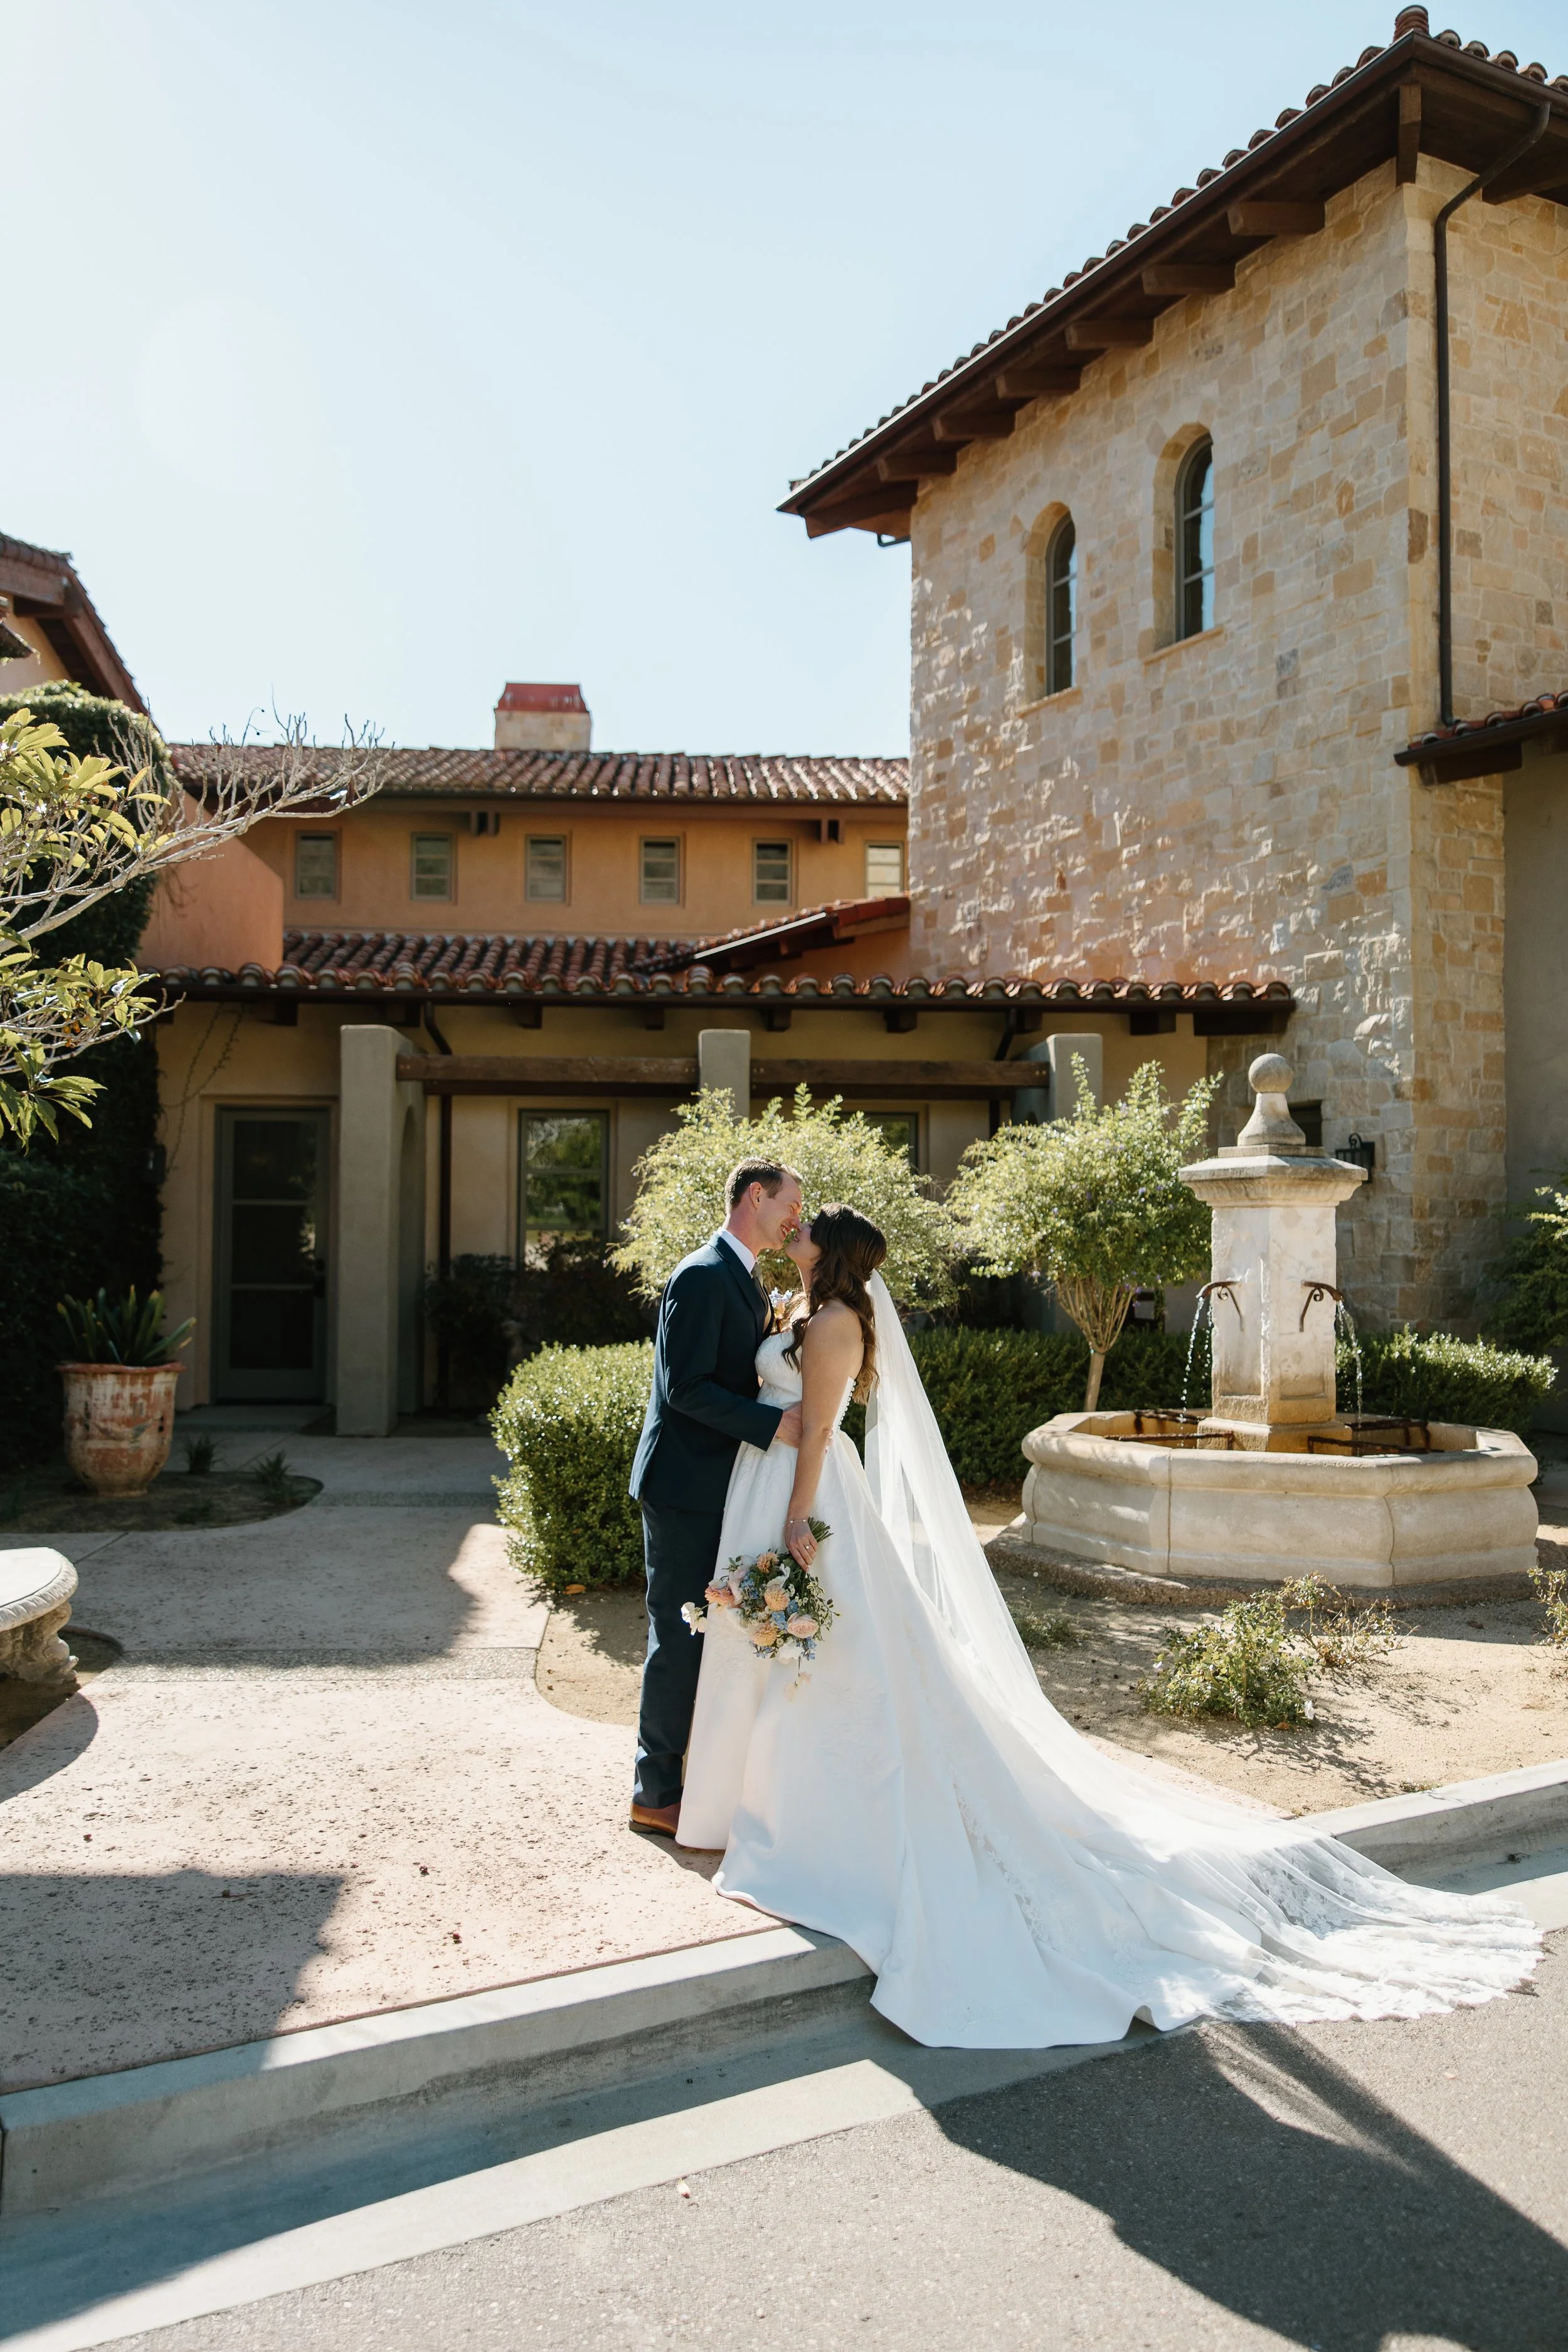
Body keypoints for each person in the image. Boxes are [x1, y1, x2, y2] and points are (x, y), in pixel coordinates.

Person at [677, 1202, 1542, 2050]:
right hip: (772, 1489)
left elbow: (821, 1431)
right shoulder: (798, 1307)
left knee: (834, 1659)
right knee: (803, 1652)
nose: (800, 1229)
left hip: (812, 1498)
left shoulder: (834, 1326)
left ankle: (813, 1826)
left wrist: (798, 1518)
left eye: (811, 1224)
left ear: (834, 1250)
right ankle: (764, 1802)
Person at [627, 1157, 804, 1836]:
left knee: (704, 1633)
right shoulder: (701, 1275)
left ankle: (689, 1775)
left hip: (717, 1483)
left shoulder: (745, 1278)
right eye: (790, 1201)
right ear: (754, 1196)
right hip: (684, 1486)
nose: (794, 1216)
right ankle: (655, 1790)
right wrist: (774, 1425)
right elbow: (686, 1389)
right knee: (677, 1636)